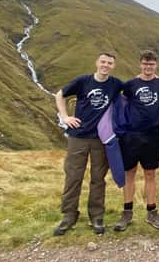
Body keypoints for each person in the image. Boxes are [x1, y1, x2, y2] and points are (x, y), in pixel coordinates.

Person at [53, 52, 123, 236]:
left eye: (109, 63)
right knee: (73, 177)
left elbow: (133, 91)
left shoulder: (116, 84)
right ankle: (69, 216)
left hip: (101, 139)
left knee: (98, 179)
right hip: (78, 137)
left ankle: (97, 217)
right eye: (103, 62)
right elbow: (60, 95)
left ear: (113, 66)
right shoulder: (83, 81)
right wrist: (65, 117)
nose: (106, 65)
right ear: (97, 62)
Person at [114, 50, 159, 231]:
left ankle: (152, 213)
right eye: (145, 63)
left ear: (155, 65)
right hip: (131, 136)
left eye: (151, 64)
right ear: (140, 64)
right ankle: (127, 213)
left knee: (150, 174)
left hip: (152, 136)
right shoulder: (130, 84)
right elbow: (117, 99)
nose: (148, 67)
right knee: (130, 174)